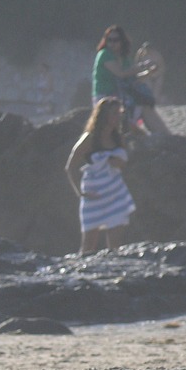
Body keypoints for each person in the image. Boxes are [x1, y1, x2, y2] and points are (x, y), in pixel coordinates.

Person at [66, 96, 136, 255]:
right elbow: (70, 166)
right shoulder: (90, 138)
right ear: (103, 115)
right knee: (88, 244)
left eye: (120, 113)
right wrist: (80, 192)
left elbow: (123, 164)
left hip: (115, 192)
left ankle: (113, 271)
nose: (118, 117)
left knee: (115, 244)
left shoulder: (118, 138)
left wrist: (117, 161)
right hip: (94, 193)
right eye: (114, 113)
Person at [91, 25, 169, 134]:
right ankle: (158, 134)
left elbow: (133, 80)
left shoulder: (125, 59)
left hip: (122, 95)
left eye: (115, 40)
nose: (112, 43)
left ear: (122, 41)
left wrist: (150, 72)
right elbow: (121, 74)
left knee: (145, 105)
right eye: (109, 40)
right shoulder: (104, 54)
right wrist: (144, 65)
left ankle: (164, 135)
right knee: (135, 106)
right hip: (105, 97)